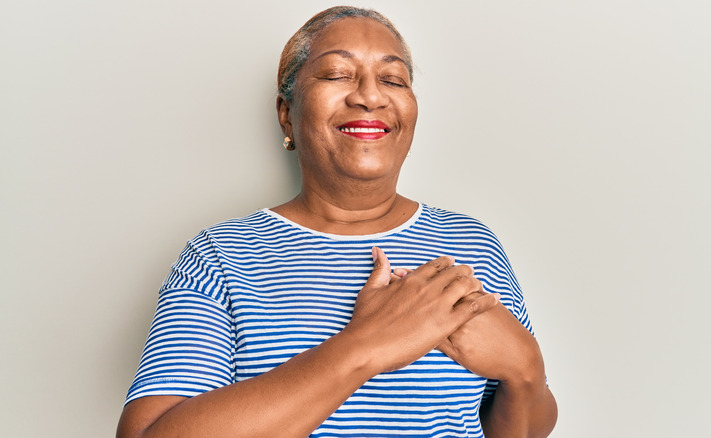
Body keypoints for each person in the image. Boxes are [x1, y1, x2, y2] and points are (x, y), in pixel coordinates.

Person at [117, 6, 557, 438]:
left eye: (392, 79)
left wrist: (526, 371)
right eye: (336, 74)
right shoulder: (220, 254)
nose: (370, 95)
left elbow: (524, 428)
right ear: (287, 112)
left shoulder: (470, 243)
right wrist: (367, 345)